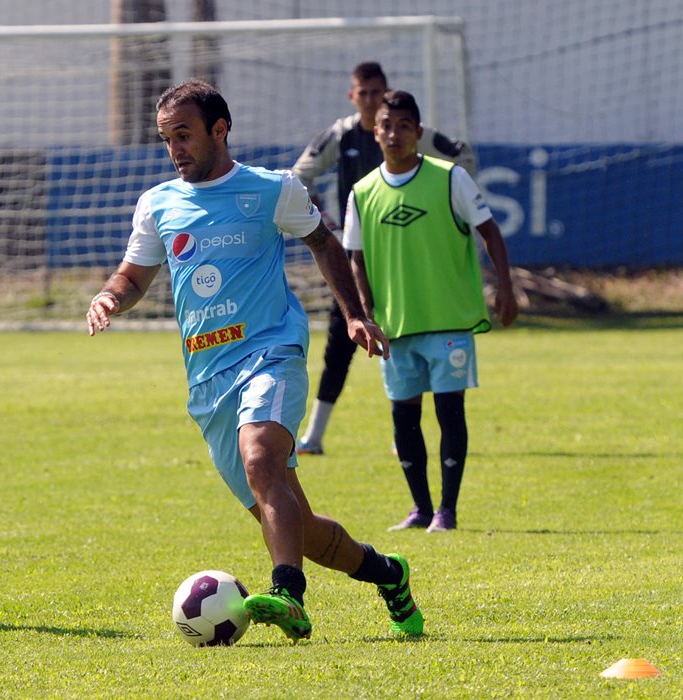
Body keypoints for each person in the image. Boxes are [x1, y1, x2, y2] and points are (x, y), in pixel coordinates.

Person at [87, 79, 423, 641]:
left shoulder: (273, 189)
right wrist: (109, 296)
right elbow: (135, 275)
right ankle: (390, 574)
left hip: (271, 350)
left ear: (219, 130)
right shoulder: (157, 203)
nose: (175, 149)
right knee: (299, 524)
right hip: (208, 380)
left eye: (184, 135)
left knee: (261, 458)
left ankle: (288, 594)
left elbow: (325, 243)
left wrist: (355, 315)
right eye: (167, 139)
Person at [344, 89, 518, 533]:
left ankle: (447, 511)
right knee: (403, 417)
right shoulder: (362, 193)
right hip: (395, 326)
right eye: (386, 126)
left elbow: (490, 232)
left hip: (449, 322)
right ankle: (421, 508)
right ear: (375, 131)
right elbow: (356, 259)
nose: (394, 134)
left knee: (449, 413)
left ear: (418, 132)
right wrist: (364, 313)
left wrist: (505, 287)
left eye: (404, 126)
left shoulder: (449, 178)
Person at [291, 61, 475, 456]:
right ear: (352, 96)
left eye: (378, 92)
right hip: (354, 255)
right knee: (340, 342)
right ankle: (315, 435)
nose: (372, 100)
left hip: (401, 258)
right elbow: (299, 176)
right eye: (364, 93)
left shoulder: (409, 132)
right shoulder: (341, 135)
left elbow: (462, 159)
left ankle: (404, 433)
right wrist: (325, 222)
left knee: (409, 339)